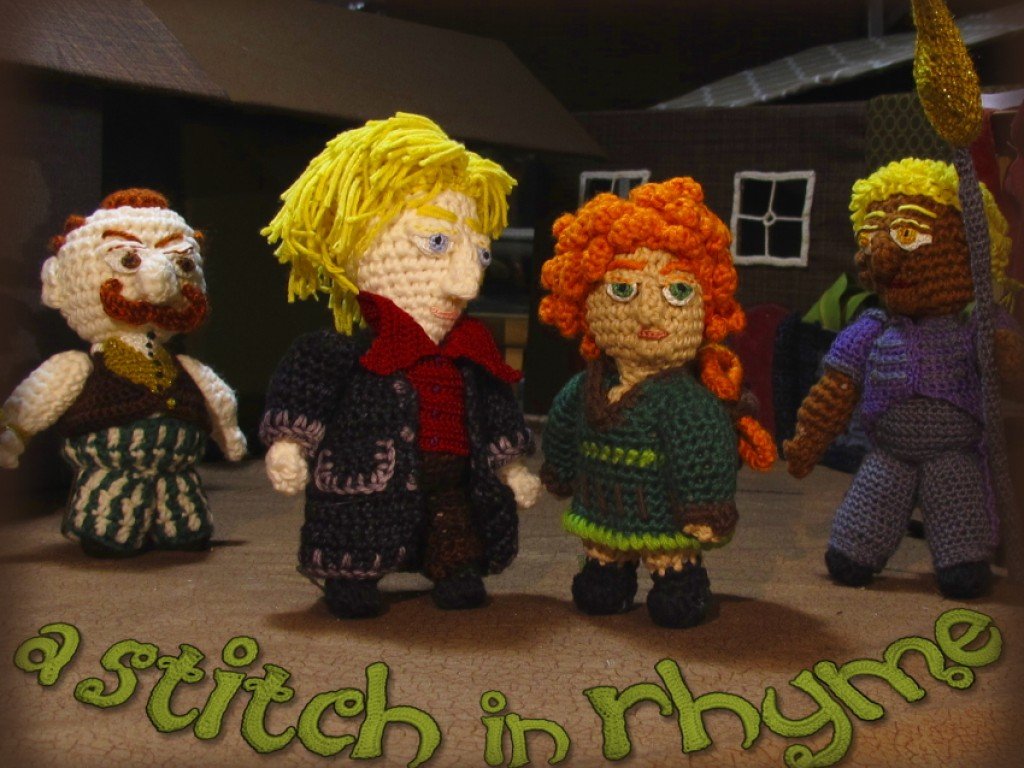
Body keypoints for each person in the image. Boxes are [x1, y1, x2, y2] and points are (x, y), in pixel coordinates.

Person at [261, 113, 539, 618]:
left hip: (454, 481)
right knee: (358, 532)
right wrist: (289, 444)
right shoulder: (342, 351)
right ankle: (353, 574)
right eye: (436, 243)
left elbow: (496, 414)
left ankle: (454, 567)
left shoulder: (472, 353)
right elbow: (306, 393)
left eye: (480, 255)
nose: (467, 285)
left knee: (454, 529)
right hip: (367, 481)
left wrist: (512, 467)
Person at [537, 177, 775, 628]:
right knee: (599, 582)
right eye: (623, 290)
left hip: (666, 523)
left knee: (675, 589)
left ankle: (677, 583)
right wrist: (561, 469)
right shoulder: (586, 388)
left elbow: (702, 454)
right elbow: (563, 428)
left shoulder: (685, 404)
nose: (649, 313)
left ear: (706, 306)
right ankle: (607, 575)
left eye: (677, 292)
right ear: (582, 302)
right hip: (601, 514)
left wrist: (705, 508)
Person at [785, 158, 1024, 598]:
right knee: (868, 512)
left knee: (958, 506)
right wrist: (811, 437)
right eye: (870, 238)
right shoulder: (873, 328)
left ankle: (962, 560)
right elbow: (835, 390)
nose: (879, 255)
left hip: (953, 452)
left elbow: (1010, 366)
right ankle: (856, 551)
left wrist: (1005, 352)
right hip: (888, 452)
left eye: (907, 234)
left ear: (967, 252)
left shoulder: (974, 325)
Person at [0, 188, 246, 555]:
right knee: (109, 526)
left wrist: (227, 431)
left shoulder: (182, 366)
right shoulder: (80, 367)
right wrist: (14, 432)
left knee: (186, 527)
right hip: (111, 469)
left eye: (181, 263)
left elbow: (217, 396)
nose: (159, 280)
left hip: (177, 467)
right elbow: (41, 395)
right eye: (128, 260)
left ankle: (181, 531)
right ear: (59, 284)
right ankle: (109, 531)